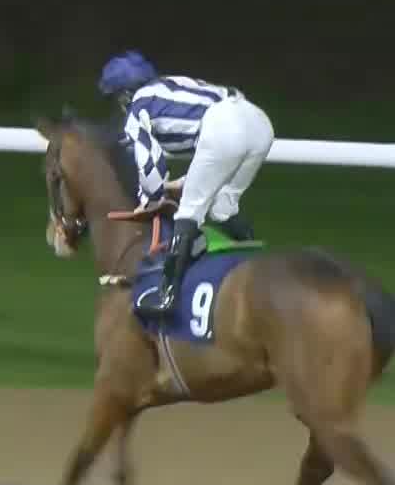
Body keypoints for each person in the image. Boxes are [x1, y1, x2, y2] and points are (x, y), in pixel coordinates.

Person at [96, 50, 274, 319]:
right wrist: (181, 183)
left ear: (124, 94)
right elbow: (212, 150)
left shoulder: (137, 109)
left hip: (225, 127)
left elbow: (151, 166)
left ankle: (166, 295)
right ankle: (256, 266)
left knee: (188, 214)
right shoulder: (171, 84)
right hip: (258, 123)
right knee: (223, 207)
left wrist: (150, 197)